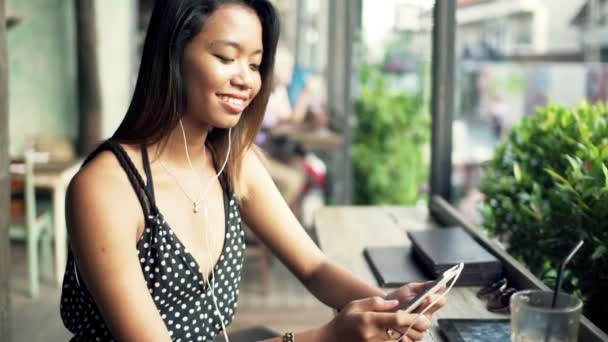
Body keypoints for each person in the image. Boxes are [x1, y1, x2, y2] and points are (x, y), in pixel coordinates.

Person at [59, 1, 446, 341]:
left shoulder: (234, 163)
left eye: (256, 64)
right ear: (173, 55)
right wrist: (327, 337)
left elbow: (313, 267)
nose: (246, 79)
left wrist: (384, 305)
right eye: (226, 58)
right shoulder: (106, 188)